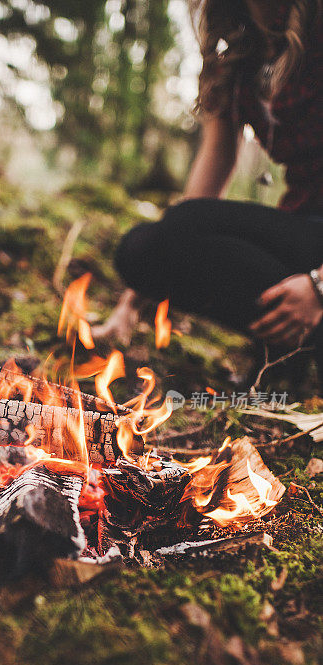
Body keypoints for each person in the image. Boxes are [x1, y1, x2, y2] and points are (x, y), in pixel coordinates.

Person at [97, 0, 323, 386]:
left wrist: (319, 287)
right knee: (141, 251)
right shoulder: (236, 57)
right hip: (301, 224)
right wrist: (130, 304)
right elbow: (209, 177)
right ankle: (289, 355)